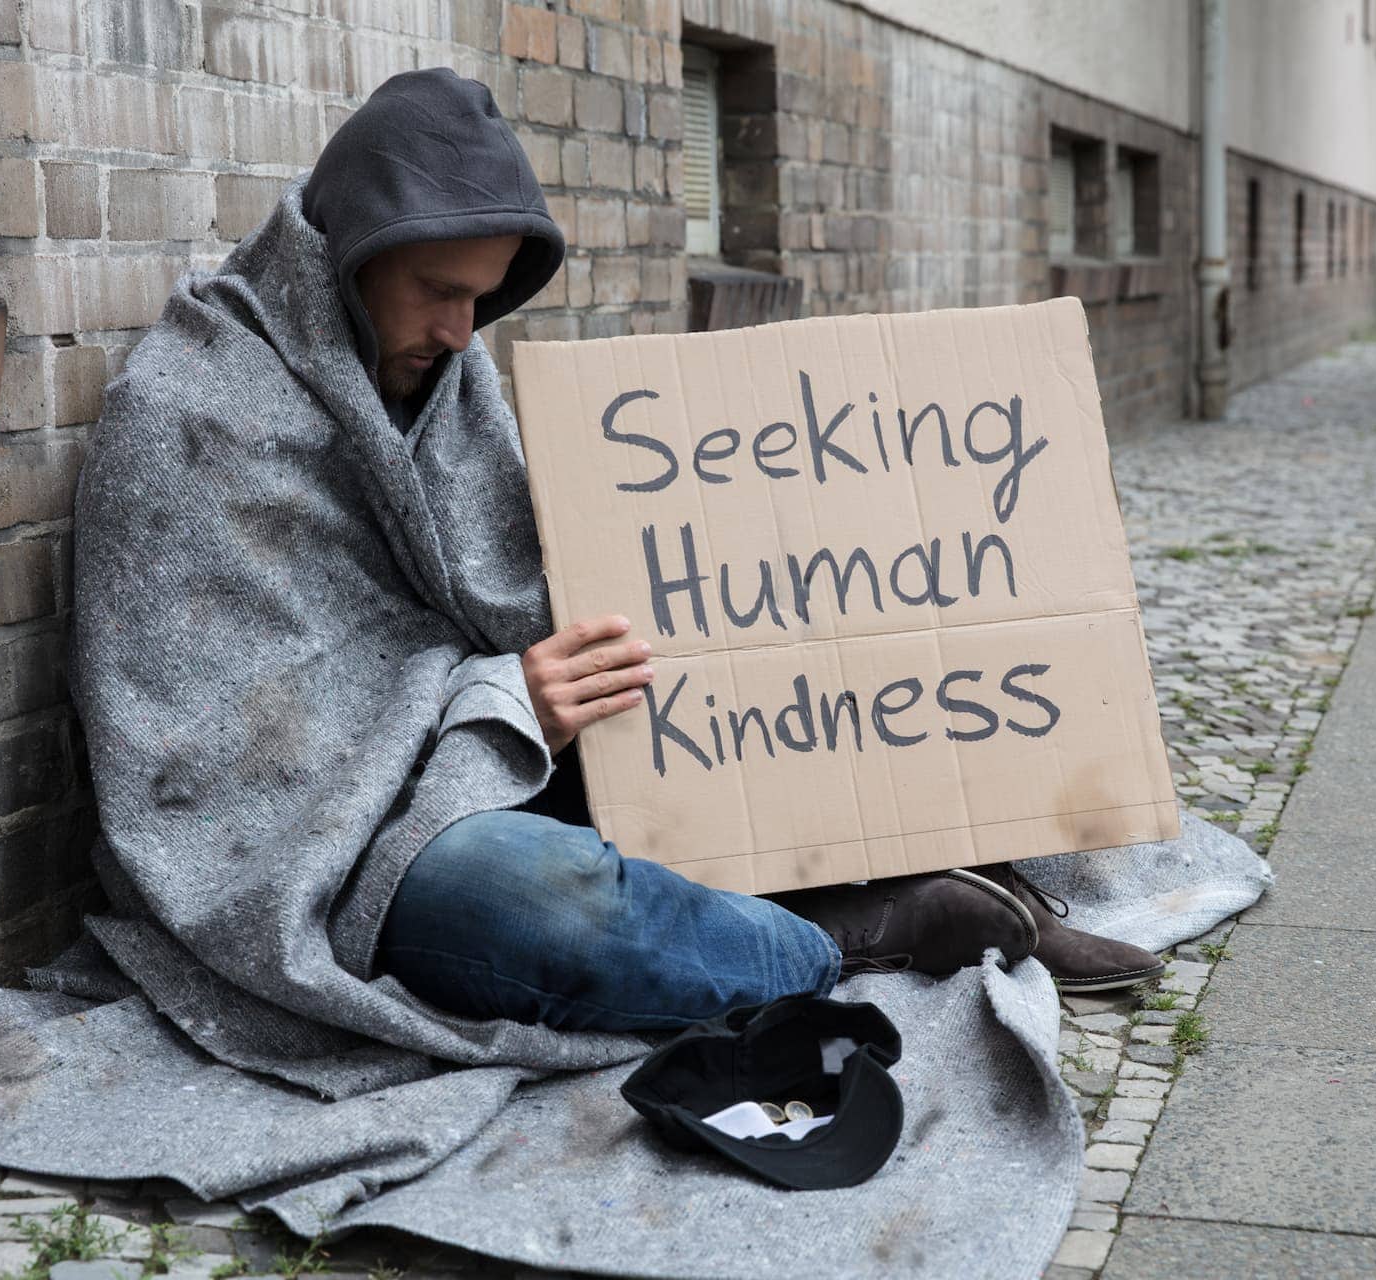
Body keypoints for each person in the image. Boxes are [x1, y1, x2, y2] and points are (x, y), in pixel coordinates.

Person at [73, 70, 1163, 1047]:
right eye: (439, 291)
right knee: (520, 898)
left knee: (734, 697)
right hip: (335, 856)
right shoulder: (189, 413)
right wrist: (505, 703)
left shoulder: (442, 376)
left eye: (482, 298)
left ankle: (940, 860)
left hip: (480, 760)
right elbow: (234, 771)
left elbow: (515, 599)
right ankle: (858, 934)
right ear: (347, 259)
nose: (462, 333)